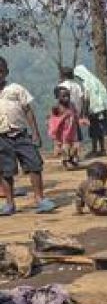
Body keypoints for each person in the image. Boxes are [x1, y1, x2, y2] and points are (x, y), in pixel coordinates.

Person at [0, 57, 56, 215]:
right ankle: (9, 203)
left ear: (6, 72)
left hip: (21, 135)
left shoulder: (15, 89)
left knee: (34, 165)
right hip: (1, 137)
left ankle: (40, 199)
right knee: (5, 170)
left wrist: (35, 133)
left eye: (1, 72)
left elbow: (28, 110)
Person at [74, 65, 107, 157]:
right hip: (102, 108)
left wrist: (84, 113)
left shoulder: (86, 83)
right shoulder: (95, 80)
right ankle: (102, 149)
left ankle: (95, 150)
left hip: (94, 109)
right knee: (100, 129)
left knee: (94, 130)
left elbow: (87, 99)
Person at [58, 67, 86, 162]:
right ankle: (75, 156)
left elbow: (59, 100)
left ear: (63, 75)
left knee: (65, 136)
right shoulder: (77, 86)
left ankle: (67, 155)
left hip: (65, 115)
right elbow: (82, 99)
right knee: (75, 136)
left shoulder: (61, 86)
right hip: (76, 114)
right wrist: (81, 112)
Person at [49, 86, 79, 169]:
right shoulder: (56, 108)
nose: (67, 98)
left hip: (71, 131)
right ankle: (66, 161)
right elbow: (53, 121)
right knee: (66, 147)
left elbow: (75, 114)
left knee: (74, 147)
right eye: (64, 96)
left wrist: (79, 120)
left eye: (68, 96)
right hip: (63, 133)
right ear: (57, 97)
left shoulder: (72, 105)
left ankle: (72, 159)